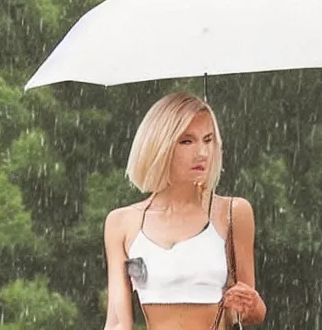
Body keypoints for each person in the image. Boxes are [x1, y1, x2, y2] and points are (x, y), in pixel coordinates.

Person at [102, 92, 266, 329]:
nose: (202, 153)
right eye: (187, 141)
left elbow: (244, 315)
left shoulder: (233, 212)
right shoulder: (120, 223)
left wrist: (252, 305)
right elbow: (118, 322)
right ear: (159, 146)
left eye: (208, 140)